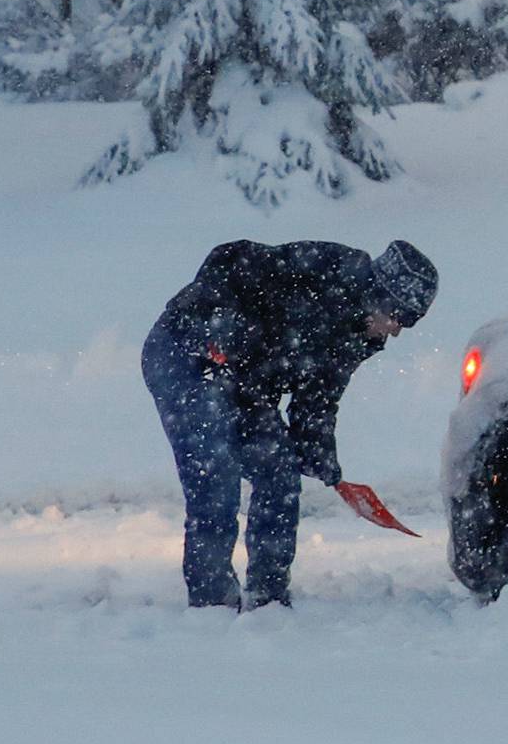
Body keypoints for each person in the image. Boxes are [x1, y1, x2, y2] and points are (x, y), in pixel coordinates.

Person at [142, 237, 438, 609]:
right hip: (186, 353)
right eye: (402, 316)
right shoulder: (326, 267)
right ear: (382, 293)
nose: (397, 330)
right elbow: (228, 256)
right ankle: (212, 602)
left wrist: (326, 467)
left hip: (244, 382)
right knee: (215, 477)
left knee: (279, 473)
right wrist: (218, 325)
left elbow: (318, 402)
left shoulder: (357, 335)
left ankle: (269, 598)